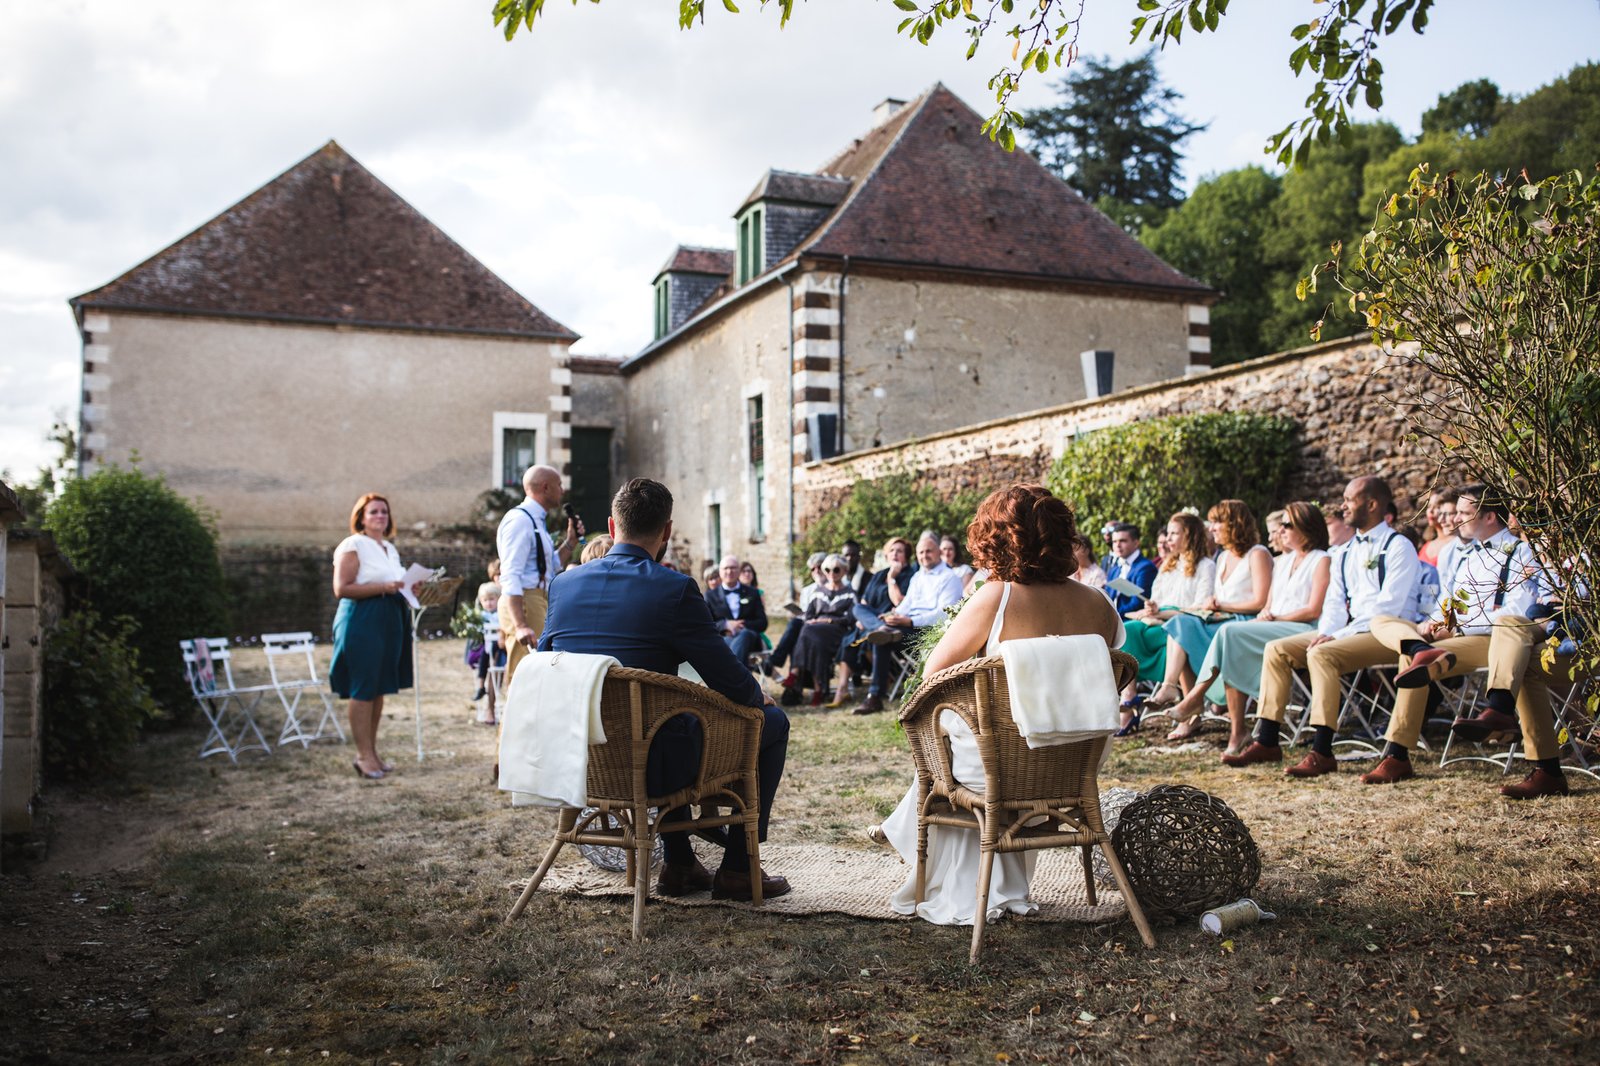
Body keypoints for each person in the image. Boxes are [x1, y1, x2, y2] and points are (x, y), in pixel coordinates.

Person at [875, 484, 1124, 925]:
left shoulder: (997, 597)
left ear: (999, 540)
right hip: (1073, 763)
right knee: (982, 734)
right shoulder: (1100, 603)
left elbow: (933, 675)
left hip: (1002, 769)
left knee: (960, 736)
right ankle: (940, 849)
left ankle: (912, 836)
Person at [537, 477, 792, 901]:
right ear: (667, 531)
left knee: (668, 721)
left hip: (582, 757)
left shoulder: (563, 586)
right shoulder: (674, 589)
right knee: (771, 722)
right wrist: (756, 696)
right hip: (657, 766)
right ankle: (737, 866)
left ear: (612, 525)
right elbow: (727, 678)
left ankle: (681, 863)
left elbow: (544, 665)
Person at [1227, 476, 1420, 776]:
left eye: (1349, 500)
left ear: (1372, 504)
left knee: (1322, 654)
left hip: (1389, 632)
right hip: (1350, 632)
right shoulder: (1344, 552)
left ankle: (1322, 750)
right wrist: (1327, 631)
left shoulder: (1399, 546)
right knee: (1277, 649)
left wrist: (1336, 636)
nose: (1343, 506)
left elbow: (1388, 608)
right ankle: (1267, 740)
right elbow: (1334, 603)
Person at [1356, 484, 1539, 785]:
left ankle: (1396, 754)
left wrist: (1457, 625)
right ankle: (1418, 649)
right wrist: (1433, 623)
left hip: (1496, 642)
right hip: (1455, 637)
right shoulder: (1467, 555)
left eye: (1464, 513)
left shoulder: (1521, 552)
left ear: (1490, 517)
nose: (1455, 519)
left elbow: (1516, 613)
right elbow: (1449, 600)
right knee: (1383, 621)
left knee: (1413, 661)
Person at [1159, 502, 1332, 756]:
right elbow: (1269, 603)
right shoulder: (1284, 561)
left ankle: (1196, 697)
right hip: (1273, 623)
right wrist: (1265, 615)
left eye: (1287, 525)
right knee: (1227, 636)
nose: (1281, 530)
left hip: (1302, 627)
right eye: (1282, 525)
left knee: (1230, 632)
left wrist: (1273, 616)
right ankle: (1235, 729)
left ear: (1306, 528)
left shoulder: (1321, 559)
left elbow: (1314, 610)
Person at [1151, 501, 1274, 740]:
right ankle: (1173, 689)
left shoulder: (1257, 554)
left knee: (1191, 629)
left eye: (1218, 522)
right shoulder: (1224, 557)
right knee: (1180, 624)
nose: (1212, 528)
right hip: (1219, 618)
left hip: (1245, 620)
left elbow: (1260, 601)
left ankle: (1193, 701)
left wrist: (1220, 605)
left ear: (1235, 524)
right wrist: (1212, 605)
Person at [329, 493, 412, 780]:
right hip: (362, 618)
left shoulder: (389, 548)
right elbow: (341, 588)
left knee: (378, 687)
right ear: (361, 518)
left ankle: (373, 752)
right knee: (363, 686)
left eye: (384, 512)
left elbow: (396, 583)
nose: (380, 516)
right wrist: (384, 587)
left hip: (390, 617)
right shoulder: (353, 544)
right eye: (373, 512)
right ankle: (363, 756)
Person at [1116, 513, 1216, 732]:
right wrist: (1152, 607)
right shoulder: (1168, 565)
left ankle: (1187, 713)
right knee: (1128, 630)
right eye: (1168, 533)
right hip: (1159, 620)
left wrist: (1162, 612)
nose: (1168, 538)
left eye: (1174, 533)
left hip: (1187, 622)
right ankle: (1129, 695)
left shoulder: (1206, 565)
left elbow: (1201, 606)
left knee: (1177, 632)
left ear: (1189, 535)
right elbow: (1157, 598)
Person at [855, 531, 965, 714]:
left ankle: (874, 696)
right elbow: (906, 604)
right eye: (921, 552)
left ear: (938, 552)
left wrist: (910, 621)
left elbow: (944, 615)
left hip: (926, 631)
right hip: (903, 626)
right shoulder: (918, 577)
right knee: (860, 609)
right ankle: (881, 627)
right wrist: (892, 615)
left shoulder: (949, 577)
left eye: (928, 551)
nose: (924, 556)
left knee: (882, 640)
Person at [496, 465, 581, 691]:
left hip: (537, 598)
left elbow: (550, 566)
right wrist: (520, 625)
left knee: (538, 677)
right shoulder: (520, 521)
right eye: (559, 485)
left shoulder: (535, 520)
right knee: (524, 677)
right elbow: (510, 574)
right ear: (545, 487)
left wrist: (571, 542)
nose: (562, 490)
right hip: (524, 600)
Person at [793, 554, 856, 706]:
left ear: (844, 571)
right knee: (813, 638)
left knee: (808, 631)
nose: (831, 573)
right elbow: (809, 615)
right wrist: (814, 621)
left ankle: (796, 673)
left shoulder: (850, 593)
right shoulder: (818, 592)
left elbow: (850, 619)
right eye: (827, 570)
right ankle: (818, 689)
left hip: (837, 632)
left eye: (836, 569)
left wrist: (828, 620)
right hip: (816, 633)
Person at [706, 555, 769, 669]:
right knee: (726, 641)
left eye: (733, 568)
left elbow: (763, 623)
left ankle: (731, 673)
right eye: (726, 568)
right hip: (724, 638)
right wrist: (726, 625)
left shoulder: (752, 593)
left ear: (739, 571)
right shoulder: (710, 596)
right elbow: (706, 625)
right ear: (720, 572)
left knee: (745, 634)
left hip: (750, 640)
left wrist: (742, 625)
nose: (729, 571)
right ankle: (739, 675)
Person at [770, 552, 827, 678]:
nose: (816, 571)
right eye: (813, 569)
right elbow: (805, 612)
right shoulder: (807, 591)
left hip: (824, 626)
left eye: (819, 567)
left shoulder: (835, 586)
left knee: (797, 630)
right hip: (807, 624)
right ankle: (794, 681)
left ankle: (778, 661)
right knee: (795, 626)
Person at [472, 564, 505, 725]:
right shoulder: (481, 615)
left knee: (494, 662)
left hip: (500, 647)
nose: (489, 603)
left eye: (492, 600)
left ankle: (494, 705)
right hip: (486, 647)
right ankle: (480, 686)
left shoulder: (501, 611)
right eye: (485, 600)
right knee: (485, 658)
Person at [1102, 523, 1157, 617]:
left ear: (1136, 543)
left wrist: (1112, 614)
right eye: (1114, 541)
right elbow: (1107, 598)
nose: (1117, 545)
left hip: (1132, 620)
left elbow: (1139, 603)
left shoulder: (1146, 568)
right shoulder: (1114, 569)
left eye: (1122, 541)